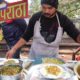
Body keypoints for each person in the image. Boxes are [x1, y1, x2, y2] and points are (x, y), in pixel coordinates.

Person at [6, 0, 80, 59]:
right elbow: (26, 36)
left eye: (50, 8)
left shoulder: (63, 19)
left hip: (52, 59)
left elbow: (76, 35)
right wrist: (14, 49)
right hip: (35, 57)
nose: (46, 11)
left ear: (56, 7)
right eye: (44, 8)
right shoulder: (36, 17)